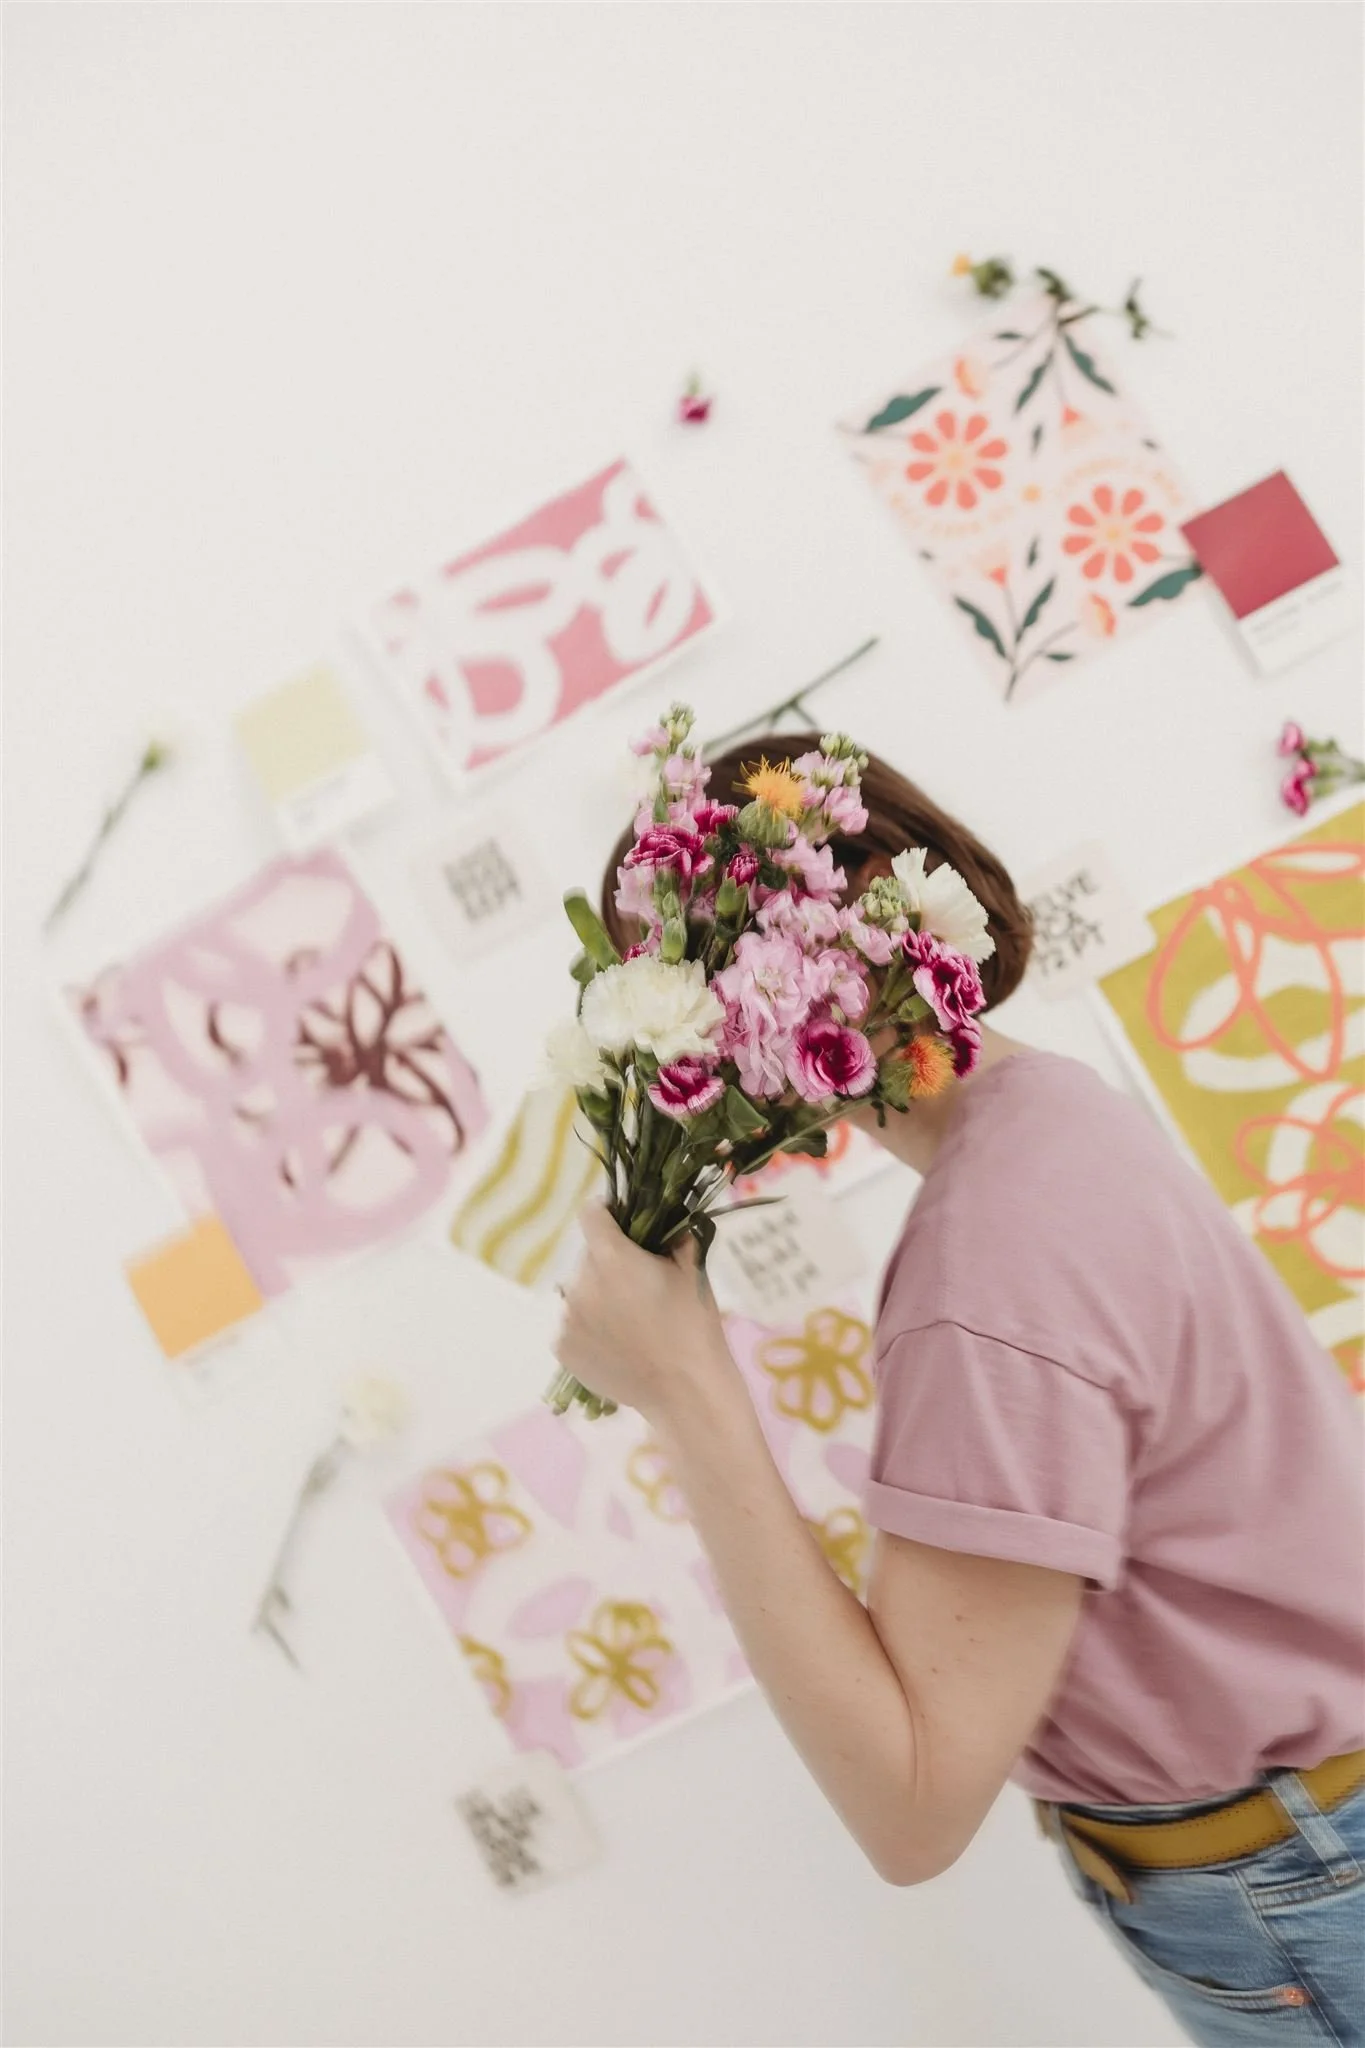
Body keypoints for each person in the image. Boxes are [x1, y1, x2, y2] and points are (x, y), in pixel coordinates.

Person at [553, 733, 1365, 2048]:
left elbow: (913, 1805)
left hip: (1297, 1887)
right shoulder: (1056, 1116)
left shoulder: (985, 1279)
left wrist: (686, 1386)